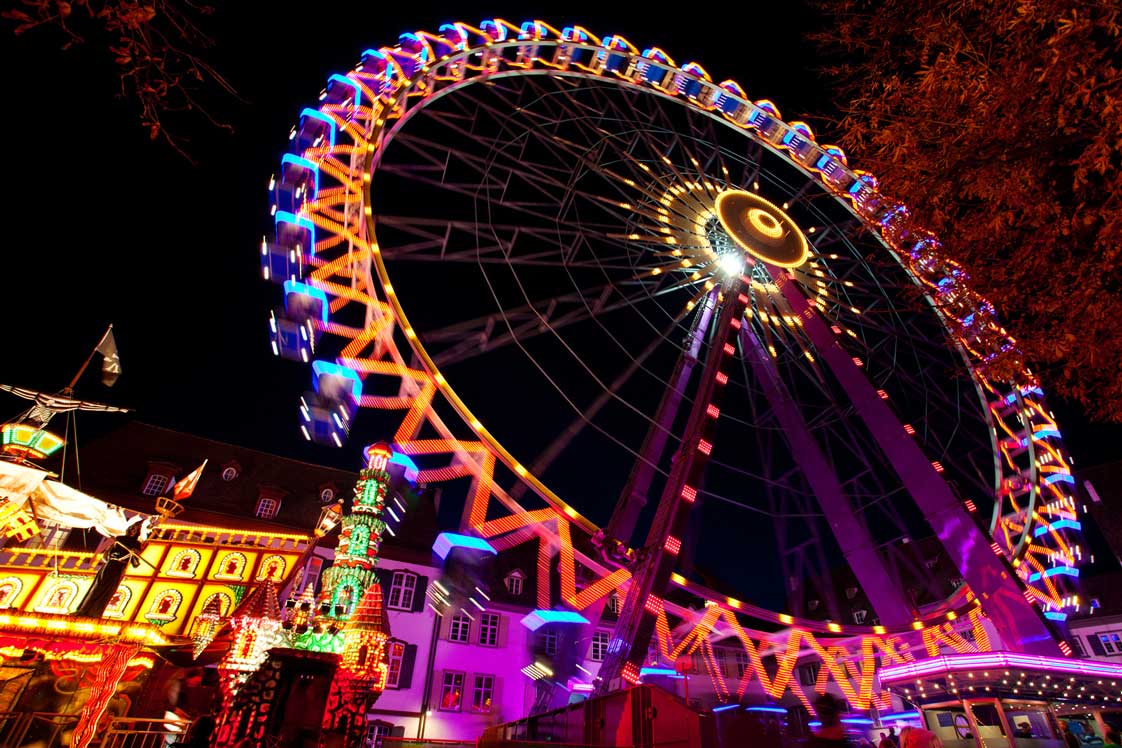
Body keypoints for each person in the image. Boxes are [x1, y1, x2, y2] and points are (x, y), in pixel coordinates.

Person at [75, 520, 146, 617]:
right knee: (97, 587)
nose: (133, 530)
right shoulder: (119, 539)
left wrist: (135, 554)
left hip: (120, 567)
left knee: (108, 590)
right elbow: (105, 557)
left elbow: (135, 564)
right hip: (109, 564)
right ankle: (83, 609)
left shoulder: (136, 544)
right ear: (129, 529)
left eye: (136, 529)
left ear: (138, 532)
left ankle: (95, 612)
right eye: (132, 528)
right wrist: (109, 550)